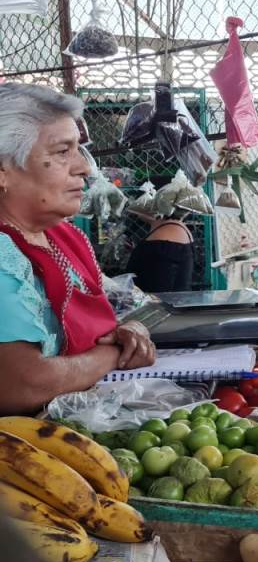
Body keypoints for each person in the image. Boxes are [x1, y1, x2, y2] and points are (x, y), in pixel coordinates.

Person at [0, 84, 156, 414]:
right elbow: (21, 384)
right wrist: (112, 355)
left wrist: (131, 331)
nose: (84, 168)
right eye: (61, 152)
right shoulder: (4, 254)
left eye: (78, 151)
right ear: (3, 170)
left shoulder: (61, 236)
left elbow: (115, 313)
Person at [126, 208, 195, 293]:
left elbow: (160, 284)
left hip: (161, 302)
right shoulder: (172, 230)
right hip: (170, 300)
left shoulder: (168, 235)